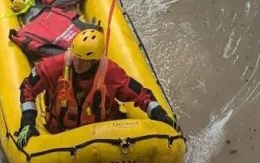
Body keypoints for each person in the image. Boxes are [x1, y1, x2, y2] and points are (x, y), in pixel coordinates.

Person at [15, 29, 180, 149]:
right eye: (76, 58)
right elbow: (27, 88)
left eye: (84, 60)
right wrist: (27, 122)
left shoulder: (111, 73)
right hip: (61, 131)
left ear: (95, 61)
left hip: (101, 132)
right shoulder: (53, 67)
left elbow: (141, 95)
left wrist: (160, 115)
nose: (78, 63)